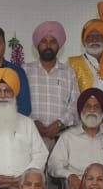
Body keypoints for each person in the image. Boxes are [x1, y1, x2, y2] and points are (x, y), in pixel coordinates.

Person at [46, 88, 103, 189]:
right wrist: (70, 176)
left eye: (96, 107)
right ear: (81, 111)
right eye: (87, 106)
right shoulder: (68, 137)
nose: (92, 110)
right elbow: (53, 165)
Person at [25, 21, 79, 152]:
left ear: (59, 45)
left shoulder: (69, 73)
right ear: (37, 44)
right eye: (44, 41)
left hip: (62, 139)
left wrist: (60, 123)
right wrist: (32, 122)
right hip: (30, 139)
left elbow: (75, 104)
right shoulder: (25, 70)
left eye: (53, 41)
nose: (48, 46)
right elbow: (18, 102)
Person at [67, 2, 103, 96]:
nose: (94, 40)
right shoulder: (72, 64)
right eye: (90, 36)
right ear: (84, 40)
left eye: (99, 36)